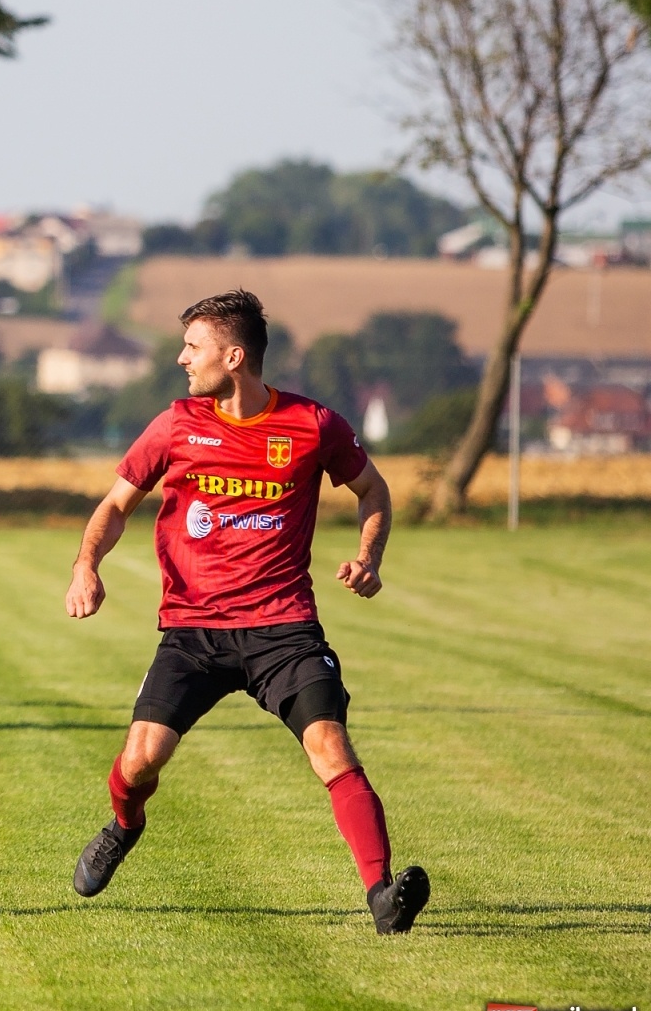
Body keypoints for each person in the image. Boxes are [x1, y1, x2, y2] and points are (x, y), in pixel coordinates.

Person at [64, 289, 430, 935]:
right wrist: (85, 565)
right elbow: (116, 505)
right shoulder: (175, 425)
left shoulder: (313, 424)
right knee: (140, 761)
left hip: (284, 629)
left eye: (193, 347)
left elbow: (373, 489)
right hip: (193, 632)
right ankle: (123, 826)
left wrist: (369, 556)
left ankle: (382, 896)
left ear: (233, 357)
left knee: (331, 746)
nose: (182, 359)